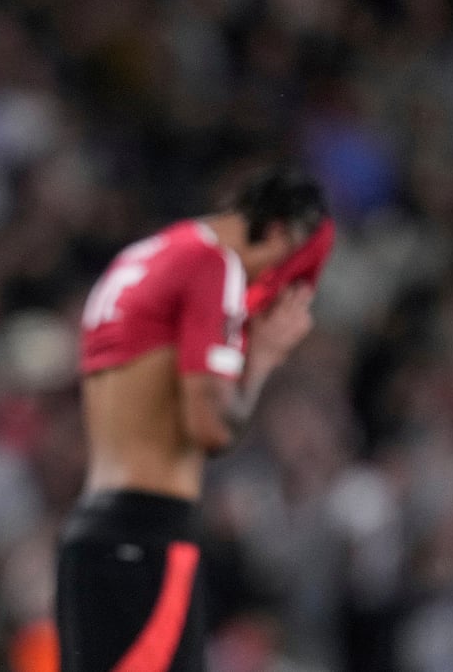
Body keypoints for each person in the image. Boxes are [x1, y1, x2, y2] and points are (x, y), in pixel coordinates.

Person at [57, 166, 334, 672]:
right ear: (276, 231)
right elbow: (210, 427)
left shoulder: (142, 256)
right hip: (148, 536)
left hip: (94, 533)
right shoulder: (214, 265)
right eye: (285, 268)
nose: (271, 287)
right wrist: (265, 356)